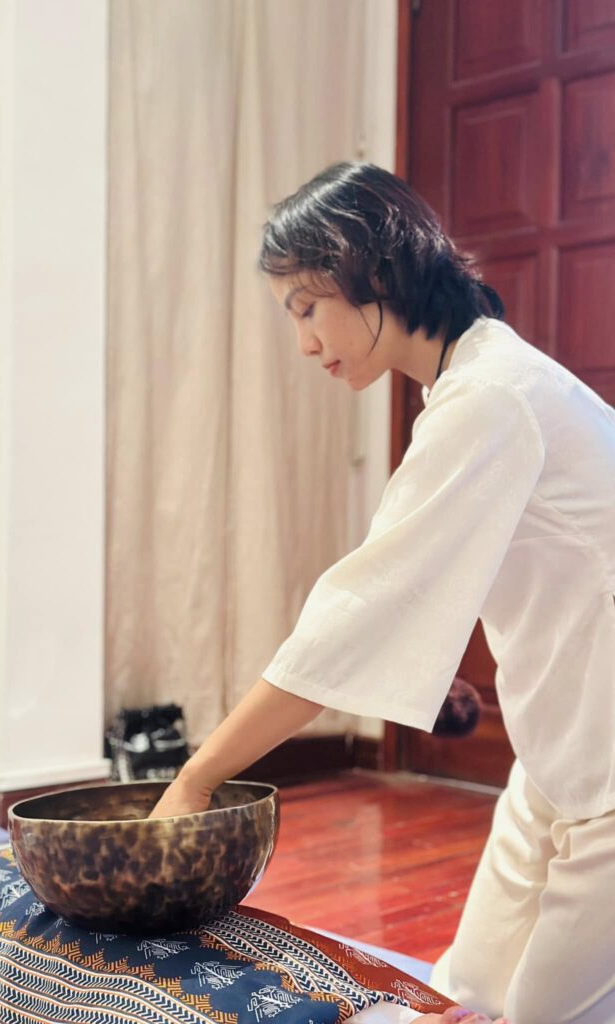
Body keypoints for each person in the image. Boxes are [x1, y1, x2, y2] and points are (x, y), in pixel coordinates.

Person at [150, 163, 615, 1024]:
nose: (304, 342)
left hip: (607, 764)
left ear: (373, 271)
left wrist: (197, 778)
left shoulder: (491, 398)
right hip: (564, 749)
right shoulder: (474, 383)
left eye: (306, 308)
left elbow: (353, 616)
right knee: (459, 996)